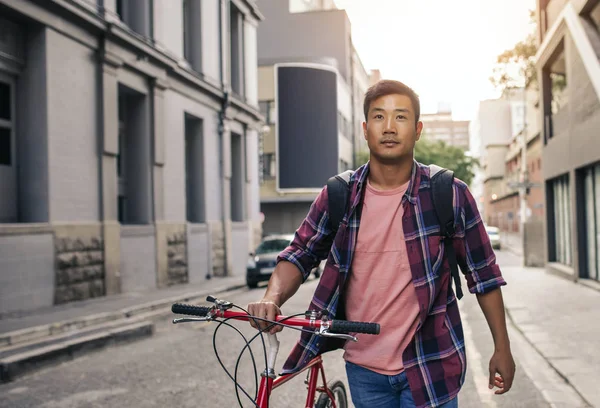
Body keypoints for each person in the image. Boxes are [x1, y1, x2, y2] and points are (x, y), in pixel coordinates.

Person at [248, 79, 516, 408]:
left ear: (417, 129)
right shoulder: (339, 195)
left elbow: (484, 275)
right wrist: (271, 296)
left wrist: (502, 346)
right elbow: (300, 253)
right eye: (378, 117)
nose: (389, 127)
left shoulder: (448, 193)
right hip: (364, 370)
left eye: (400, 117)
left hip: (431, 361)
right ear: (364, 128)